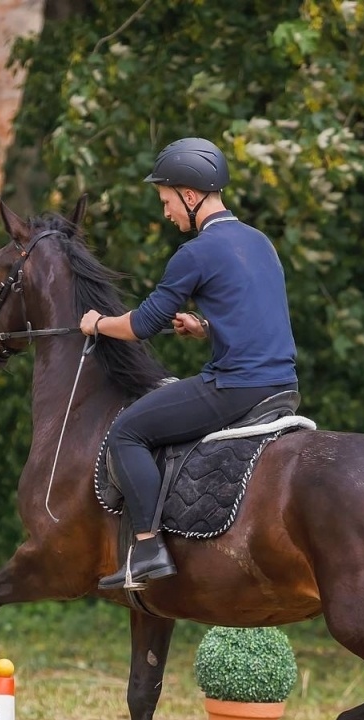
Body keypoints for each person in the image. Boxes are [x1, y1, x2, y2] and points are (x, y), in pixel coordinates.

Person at [81, 137, 299, 591]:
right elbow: (257, 317)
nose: (166, 213)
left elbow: (142, 325)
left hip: (237, 387)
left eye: (167, 201)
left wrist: (98, 323)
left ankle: (146, 549)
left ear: (191, 195)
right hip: (283, 384)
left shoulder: (196, 252)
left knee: (127, 432)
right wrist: (206, 328)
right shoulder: (260, 242)